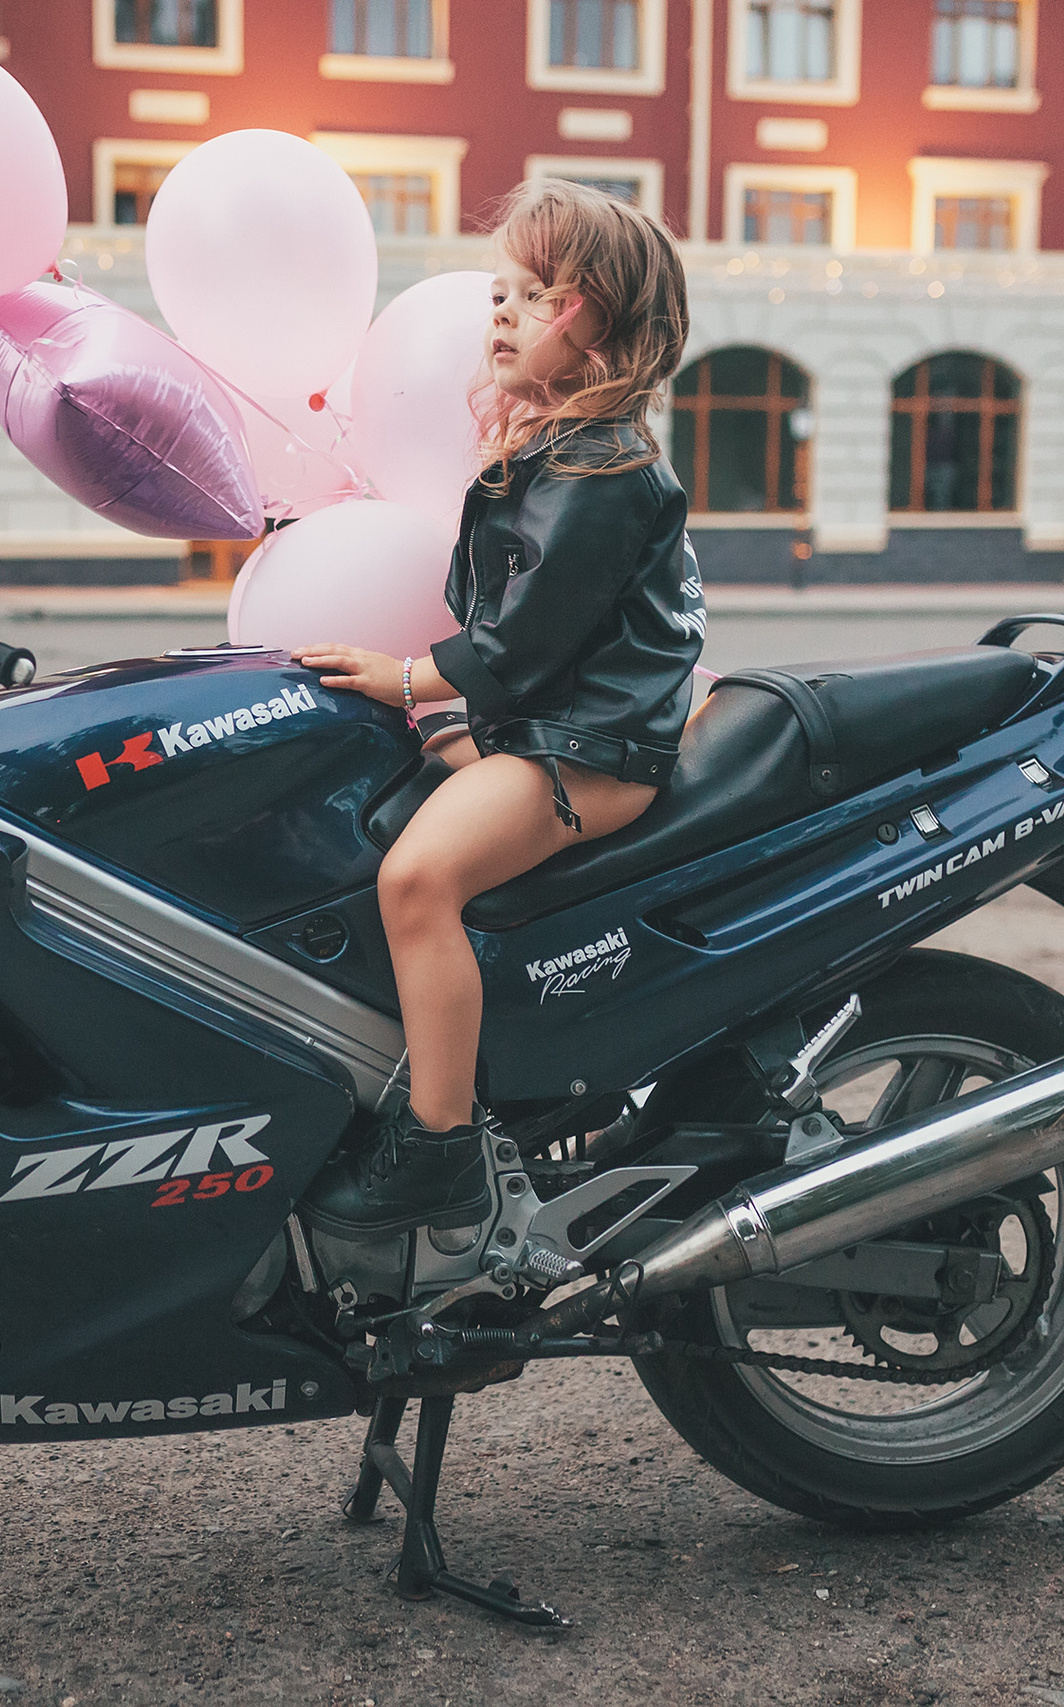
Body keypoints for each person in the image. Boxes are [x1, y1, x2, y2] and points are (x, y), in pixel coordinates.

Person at [295, 179, 704, 1238]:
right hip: (548, 723)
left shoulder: (605, 473)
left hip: (590, 750)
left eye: (539, 293)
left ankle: (438, 1146)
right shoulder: (557, 451)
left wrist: (401, 678)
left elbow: (519, 641)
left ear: (602, 328)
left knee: (418, 880)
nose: (503, 311)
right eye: (501, 290)